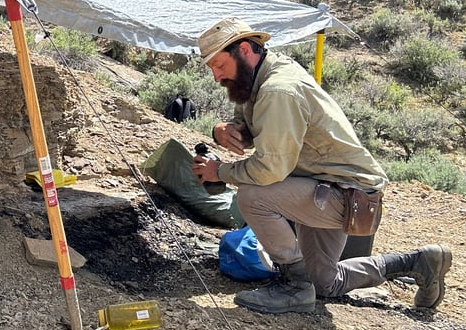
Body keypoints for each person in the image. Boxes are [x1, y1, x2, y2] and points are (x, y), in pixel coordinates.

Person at [190, 16, 452, 314]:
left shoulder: (278, 90)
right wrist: (225, 130)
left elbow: (269, 169)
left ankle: (294, 286)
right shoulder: (260, 75)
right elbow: (258, 126)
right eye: (212, 68)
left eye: (219, 65)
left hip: (347, 194)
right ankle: (418, 262)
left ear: (245, 50)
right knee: (324, 283)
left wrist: (219, 172)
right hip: (324, 185)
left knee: (252, 195)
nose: (217, 77)